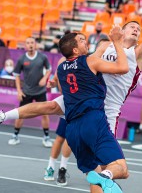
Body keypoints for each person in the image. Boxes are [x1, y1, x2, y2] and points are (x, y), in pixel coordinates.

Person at [0, 12, 142, 191]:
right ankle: (1, 116)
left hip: (107, 108)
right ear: (121, 31)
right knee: (49, 106)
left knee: (103, 166)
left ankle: (86, 174)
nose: (136, 29)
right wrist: (58, 80)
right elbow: (83, 66)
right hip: (84, 95)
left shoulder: (137, 53)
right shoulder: (106, 45)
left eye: (138, 29)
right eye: (131, 26)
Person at [58, 29, 129, 192]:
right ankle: (107, 176)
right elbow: (123, 67)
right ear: (75, 50)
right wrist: (117, 42)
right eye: (81, 40)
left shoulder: (61, 69)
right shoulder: (91, 62)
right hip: (92, 121)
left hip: (72, 130)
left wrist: (103, 47)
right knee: (122, 169)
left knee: (94, 174)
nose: (85, 42)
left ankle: (102, 177)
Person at [8, 37, 52, 147]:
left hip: (40, 91)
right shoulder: (21, 59)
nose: (30, 45)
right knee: (20, 114)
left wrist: (45, 78)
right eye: (28, 43)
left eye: (32, 42)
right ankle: (15, 136)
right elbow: (17, 76)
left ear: (35, 44)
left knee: (45, 114)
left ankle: (46, 137)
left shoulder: (43, 57)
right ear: (25, 45)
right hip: (26, 92)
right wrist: (19, 91)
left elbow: (49, 69)